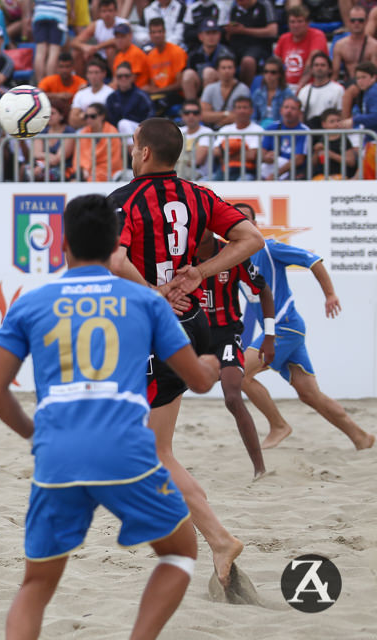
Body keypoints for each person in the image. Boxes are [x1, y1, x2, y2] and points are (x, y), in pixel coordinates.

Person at [0, 193, 218, 640]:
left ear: (63, 245)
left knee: (35, 584)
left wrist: (37, 436)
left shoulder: (32, 303)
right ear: (116, 247)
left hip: (58, 453)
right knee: (178, 554)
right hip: (125, 450)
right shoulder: (144, 301)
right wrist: (208, 364)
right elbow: (200, 380)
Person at [108, 117, 265, 587]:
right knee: (151, 447)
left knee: (147, 451)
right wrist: (200, 272)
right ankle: (214, 540)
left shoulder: (124, 200)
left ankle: (216, 538)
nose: (131, 151)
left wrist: (155, 293)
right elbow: (251, 239)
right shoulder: (199, 195)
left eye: (134, 145)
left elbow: (115, 260)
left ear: (143, 153)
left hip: (157, 329)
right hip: (192, 323)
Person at [236, 204, 375, 452]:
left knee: (240, 374)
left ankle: (278, 425)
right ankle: (361, 437)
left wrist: (330, 294)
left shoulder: (270, 248)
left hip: (285, 327)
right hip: (282, 330)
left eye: (245, 220)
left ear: (255, 226)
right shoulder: (233, 258)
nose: (241, 224)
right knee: (310, 395)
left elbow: (313, 260)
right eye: (236, 220)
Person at [194, 227, 275, 479]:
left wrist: (269, 336)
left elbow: (262, 289)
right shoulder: (179, 254)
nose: (202, 226)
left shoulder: (231, 254)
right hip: (190, 335)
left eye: (208, 222)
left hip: (226, 335)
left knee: (232, 396)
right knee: (162, 395)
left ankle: (259, 469)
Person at [273, 4, 326, 93]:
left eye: (300, 21)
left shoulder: (317, 36)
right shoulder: (283, 38)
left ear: (307, 23)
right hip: (285, 86)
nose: (296, 25)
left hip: (310, 86)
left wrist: (299, 87)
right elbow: (275, 64)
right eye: (292, 22)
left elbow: (312, 63)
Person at [226, 0, 277, 88]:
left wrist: (244, 30)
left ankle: (245, 91)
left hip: (258, 45)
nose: (239, 2)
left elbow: (273, 31)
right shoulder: (234, 7)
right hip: (236, 45)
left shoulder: (264, 5)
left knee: (248, 61)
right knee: (223, 60)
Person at [182, 19, 233, 101]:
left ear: (219, 35)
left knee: (209, 72)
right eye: (208, 33)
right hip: (200, 86)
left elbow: (231, 77)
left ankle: (206, 105)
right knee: (188, 74)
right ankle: (191, 106)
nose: (211, 37)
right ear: (200, 37)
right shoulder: (194, 54)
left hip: (222, 88)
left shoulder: (227, 54)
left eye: (214, 33)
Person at [260, 95, 309, 180]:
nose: (289, 111)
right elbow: (262, 152)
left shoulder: (304, 131)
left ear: (299, 113)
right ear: (281, 110)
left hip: (292, 171)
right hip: (271, 169)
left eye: (293, 108)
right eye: (286, 107)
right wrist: (266, 157)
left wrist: (276, 174)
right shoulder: (271, 128)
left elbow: (299, 159)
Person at [216, 95, 262, 180]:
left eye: (245, 108)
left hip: (246, 171)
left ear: (252, 111)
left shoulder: (258, 130)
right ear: (233, 111)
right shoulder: (225, 129)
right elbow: (215, 152)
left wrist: (227, 154)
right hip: (223, 170)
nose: (242, 111)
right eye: (239, 108)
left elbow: (252, 155)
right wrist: (241, 149)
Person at [72, 103, 122, 181]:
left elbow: (114, 160)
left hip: (108, 172)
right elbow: (80, 157)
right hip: (86, 173)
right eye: (86, 116)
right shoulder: (83, 132)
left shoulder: (112, 132)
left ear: (102, 116)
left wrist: (94, 172)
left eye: (92, 116)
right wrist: (84, 170)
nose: (88, 119)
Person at [144, 17, 186, 109]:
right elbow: (152, 84)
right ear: (150, 35)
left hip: (175, 94)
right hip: (158, 95)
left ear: (165, 32)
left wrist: (157, 90)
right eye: (154, 32)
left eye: (160, 31)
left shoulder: (177, 51)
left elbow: (179, 84)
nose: (157, 35)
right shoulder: (150, 56)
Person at [297, 52, 344, 129]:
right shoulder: (304, 91)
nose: (319, 68)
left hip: (330, 132)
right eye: (316, 65)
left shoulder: (338, 89)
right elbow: (300, 115)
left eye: (323, 65)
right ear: (311, 69)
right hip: (311, 131)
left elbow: (341, 114)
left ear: (329, 69)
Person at [332, 5, 377, 86]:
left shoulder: (374, 46)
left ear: (366, 21)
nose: (357, 23)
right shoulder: (340, 45)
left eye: (360, 20)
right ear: (349, 22)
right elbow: (334, 75)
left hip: (368, 86)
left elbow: (375, 75)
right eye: (353, 20)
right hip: (348, 84)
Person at [200, 55, 249, 128]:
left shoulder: (243, 89)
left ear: (234, 70)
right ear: (217, 70)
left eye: (230, 68)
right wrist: (226, 114)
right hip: (212, 131)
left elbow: (242, 114)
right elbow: (204, 115)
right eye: (223, 68)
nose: (227, 71)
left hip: (235, 129)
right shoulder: (209, 88)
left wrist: (217, 118)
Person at [24, 0, 67, 82]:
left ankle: (41, 85)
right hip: (58, 14)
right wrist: (72, 11)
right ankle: (50, 84)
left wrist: (28, 15)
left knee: (40, 52)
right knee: (54, 52)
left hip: (40, 13)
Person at [105, 60, 152, 136]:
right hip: (117, 134)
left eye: (126, 76)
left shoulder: (142, 96)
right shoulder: (111, 98)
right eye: (120, 76)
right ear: (115, 78)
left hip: (140, 132)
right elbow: (109, 121)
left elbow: (150, 117)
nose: (123, 78)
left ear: (132, 77)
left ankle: (131, 148)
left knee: (124, 124)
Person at [312, 108, 358, 179]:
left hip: (341, 176)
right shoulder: (321, 140)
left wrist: (332, 155)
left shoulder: (344, 140)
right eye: (332, 121)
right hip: (323, 177)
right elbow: (313, 164)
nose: (336, 124)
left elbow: (351, 162)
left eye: (338, 121)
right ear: (324, 124)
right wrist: (316, 152)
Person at [251, 56, 295, 128]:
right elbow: (253, 117)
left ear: (280, 74)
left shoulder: (287, 94)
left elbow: (288, 118)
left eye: (273, 72)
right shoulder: (257, 94)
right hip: (260, 131)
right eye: (266, 72)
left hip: (280, 131)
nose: (269, 75)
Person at [69, 57, 113, 129]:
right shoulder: (81, 93)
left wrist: (84, 115)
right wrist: (95, 119)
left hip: (105, 132)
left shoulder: (110, 93)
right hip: (82, 132)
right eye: (90, 73)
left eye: (96, 72)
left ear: (104, 74)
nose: (93, 76)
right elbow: (72, 120)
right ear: (87, 75)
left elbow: (108, 119)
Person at [175, 98, 212, 180]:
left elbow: (198, 160)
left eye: (195, 113)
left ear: (200, 115)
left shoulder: (207, 132)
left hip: (200, 176)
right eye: (187, 113)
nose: (191, 116)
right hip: (178, 173)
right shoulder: (178, 131)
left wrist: (179, 159)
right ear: (182, 115)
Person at [111, 23, 149, 89]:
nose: (119, 40)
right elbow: (115, 79)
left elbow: (128, 80)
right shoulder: (118, 56)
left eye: (122, 36)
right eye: (117, 37)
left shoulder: (136, 53)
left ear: (130, 36)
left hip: (137, 92)